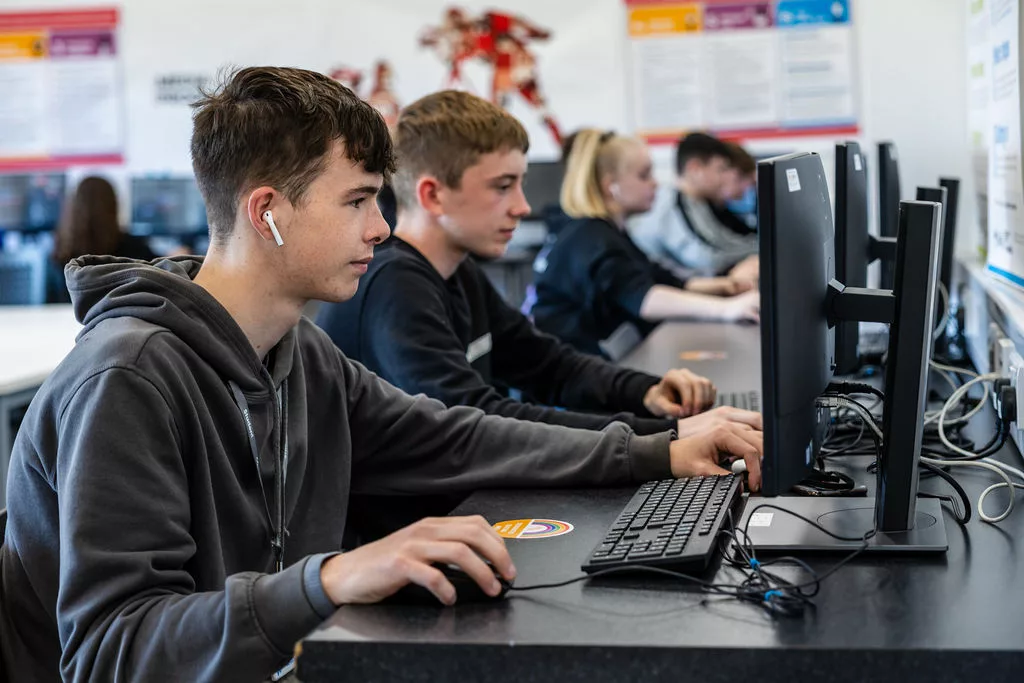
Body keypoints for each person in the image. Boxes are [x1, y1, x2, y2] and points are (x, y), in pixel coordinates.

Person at [0, 67, 763, 682]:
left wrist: (652, 452)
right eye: (359, 200)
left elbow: (452, 435)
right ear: (267, 212)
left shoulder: (298, 352)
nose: (383, 228)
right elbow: (110, 652)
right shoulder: (128, 376)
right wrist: (327, 580)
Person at [316, 92, 762, 524]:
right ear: (434, 196)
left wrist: (647, 392)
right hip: (413, 533)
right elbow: (480, 423)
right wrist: (665, 437)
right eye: (502, 186)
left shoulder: (458, 271)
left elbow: (548, 365)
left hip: (464, 507)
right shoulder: (395, 286)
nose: (523, 206)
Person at [530, 129, 760, 359]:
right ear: (612, 186)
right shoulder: (592, 238)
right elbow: (644, 298)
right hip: (566, 372)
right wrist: (726, 310)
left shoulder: (609, 231)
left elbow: (657, 277)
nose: (655, 184)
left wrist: (723, 285)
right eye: (644, 175)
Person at [631, 133, 759, 279]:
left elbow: (722, 241)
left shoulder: (696, 202)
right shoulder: (670, 205)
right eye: (719, 169)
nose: (722, 178)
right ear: (695, 168)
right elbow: (705, 259)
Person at [45, 176, 157, 303]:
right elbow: (157, 271)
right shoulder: (133, 246)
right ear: (112, 205)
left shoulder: (61, 249)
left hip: (69, 320)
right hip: (125, 318)